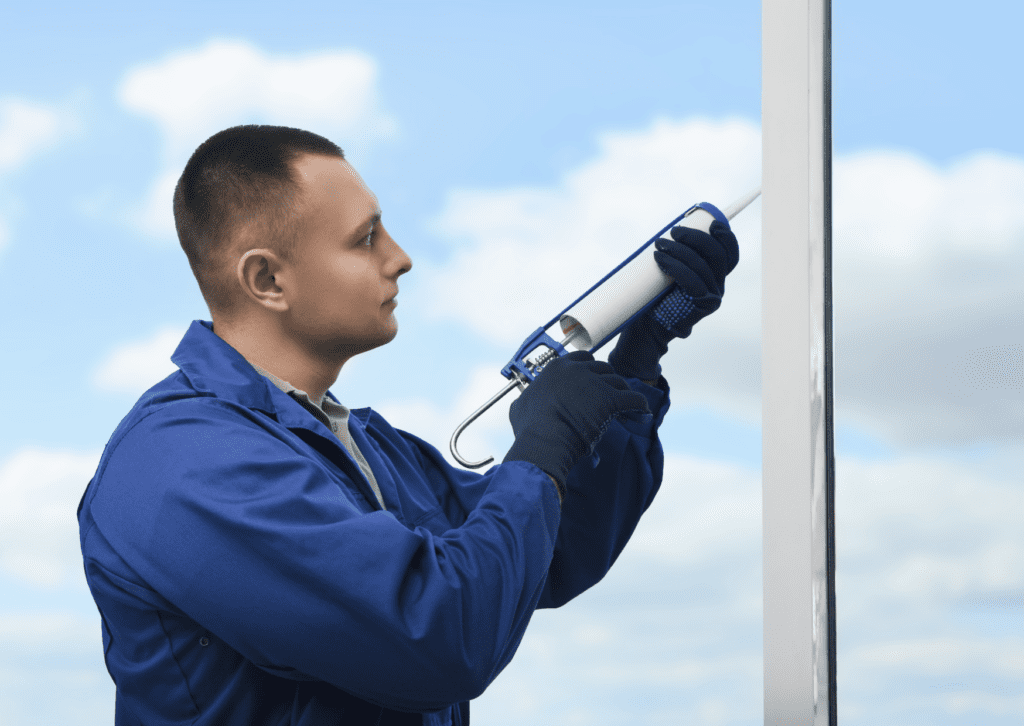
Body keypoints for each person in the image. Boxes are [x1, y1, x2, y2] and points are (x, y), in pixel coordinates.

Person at [77, 124, 739, 726]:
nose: (400, 258)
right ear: (267, 279)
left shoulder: (366, 444)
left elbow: (548, 554)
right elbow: (438, 636)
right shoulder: (184, 462)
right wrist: (539, 449)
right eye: (365, 238)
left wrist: (639, 353)